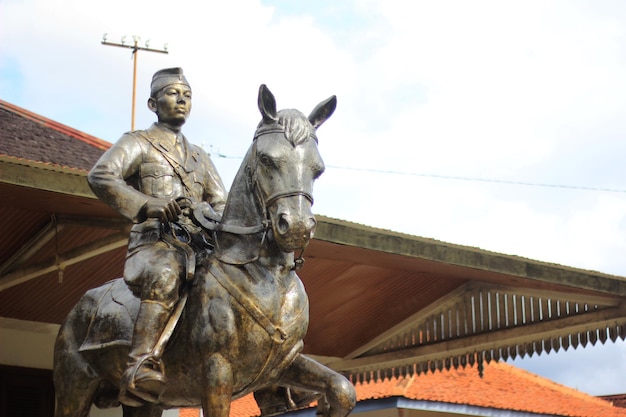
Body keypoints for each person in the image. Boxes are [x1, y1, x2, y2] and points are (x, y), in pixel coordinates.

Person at [88, 67, 227, 406]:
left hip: (198, 248)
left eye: (187, 95)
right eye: (173, 93)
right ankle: (139, 364)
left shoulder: (201, 158)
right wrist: (148, 204)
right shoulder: (137, 142)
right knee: (166, 274)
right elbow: (102, 176)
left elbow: (222, 203)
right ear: (152, 103)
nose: (181, 99)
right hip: (155, 246)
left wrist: (210, 217)